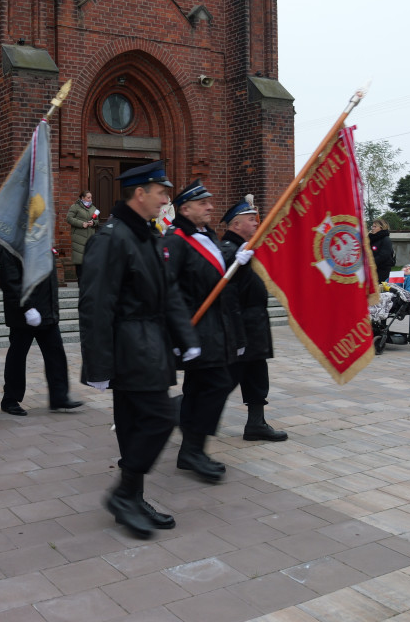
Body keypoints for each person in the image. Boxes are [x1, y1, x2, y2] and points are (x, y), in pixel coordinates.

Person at [79, 161, 200, 538]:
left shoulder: (146, 234)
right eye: (162, 192)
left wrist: (187, 340)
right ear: (140, 193)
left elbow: (169, 294)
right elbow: (95, 304)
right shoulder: (112, 237)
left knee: (134, 426)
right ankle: (124, 495)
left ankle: (131, 498)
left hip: (150, 342)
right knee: (160, 419)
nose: (167, 199)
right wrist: (97, 365)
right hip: (131, 347)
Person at [163, 180, 242, 482]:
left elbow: (213, 276)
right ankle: (192, 446)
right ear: (185, 208)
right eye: (203, 203)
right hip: (196, 330)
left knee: (204, 386)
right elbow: (168, 290)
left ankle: (191, 449)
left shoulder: (206, 235)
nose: (211, 207)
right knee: (216, 384)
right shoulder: (176, 240)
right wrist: (177, 334)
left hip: (215, 328)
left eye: (210, 201)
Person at [218, 200, 287, 442]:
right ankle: (185, 413)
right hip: (242, 326)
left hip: (253, 325)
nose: (256, 222)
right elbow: (223, 285)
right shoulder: (229, 249)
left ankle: (256, 423)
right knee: (224, 380)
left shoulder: (245, 247)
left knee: (256, 374)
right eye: (251, 219)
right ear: (236, 224)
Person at [0, 249, 83, 416]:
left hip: (46, 311)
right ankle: (10, 399)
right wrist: (27, 307)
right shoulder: (11, 245)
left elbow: (48, 278)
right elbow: (10, 281)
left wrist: (52, 309)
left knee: (56, 354)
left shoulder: (41, 238)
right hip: (24, 315)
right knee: (17, 356)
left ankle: (59, 396)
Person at [66, 191, 98, 281]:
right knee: (80, 261)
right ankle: (80, 282)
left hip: (90, 237)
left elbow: (97, 221)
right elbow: (69, 218)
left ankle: (88, 282)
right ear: (82, 198)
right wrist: (81, 223)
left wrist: (94, 222)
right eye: (88, 197)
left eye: (91, 197)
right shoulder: (75, 207)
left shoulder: (93, 208)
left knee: (89, 261)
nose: (90, 199)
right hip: (78, 238)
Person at [368, 218, 394, 284]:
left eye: (375, 226)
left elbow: (384, 255)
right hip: (371, 269)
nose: (372, 228)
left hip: (382, 270)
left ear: (381, 228)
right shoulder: (371, 238)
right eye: (372, 226)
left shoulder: (386, 239)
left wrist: (371, 263)